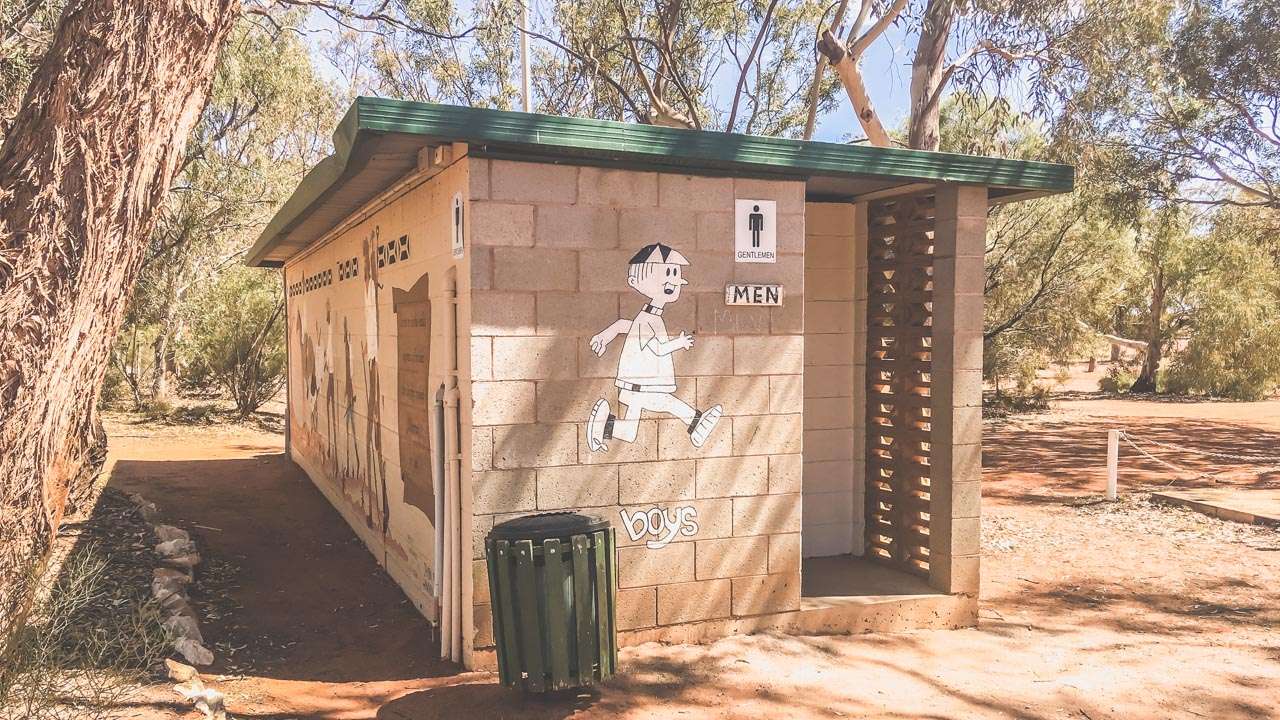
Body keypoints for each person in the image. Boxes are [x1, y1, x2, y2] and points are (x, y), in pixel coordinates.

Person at [586, 243, 722, 452]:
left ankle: (605, 428)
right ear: (635, 281)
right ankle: (695, 422)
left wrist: (605, 336)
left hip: (638, 385)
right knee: (666, 402)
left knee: (631, 432)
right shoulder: (649, 319)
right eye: (668, 273)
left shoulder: (649, 317)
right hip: (641, 385)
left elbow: (625, 325)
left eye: (675, 273)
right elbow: (657, 349)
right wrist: (680, 343)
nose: (673, 280)